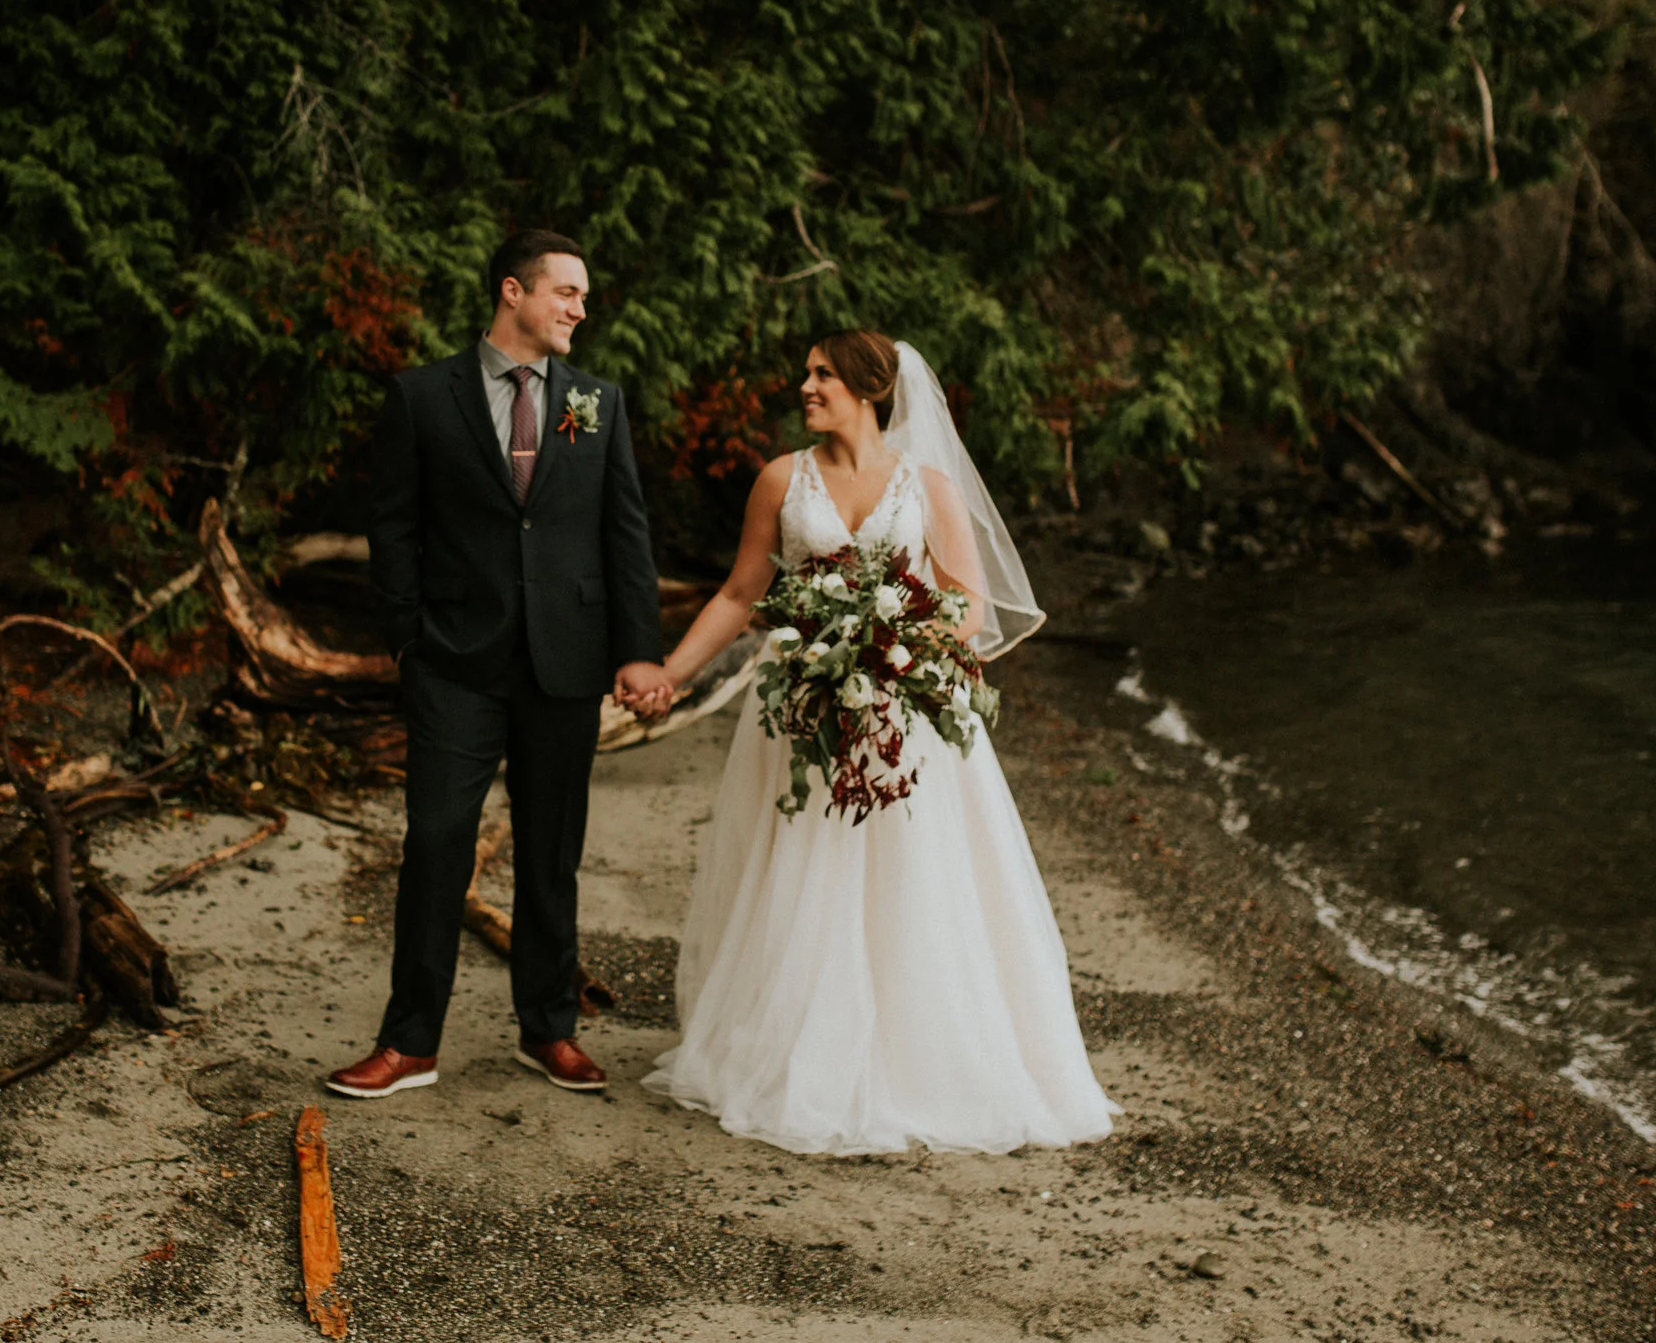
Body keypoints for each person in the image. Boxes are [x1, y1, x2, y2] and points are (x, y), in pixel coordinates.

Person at [634, 329, 1115, 1154]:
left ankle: (916, 1058)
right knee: (803, 871)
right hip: (804, 713)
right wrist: (669, 675)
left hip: (907, 718)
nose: (806, 385)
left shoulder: (927, 487)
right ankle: (796, 1051)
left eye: (823, 374)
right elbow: (743, 592)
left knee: (913, 882)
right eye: (808, 373)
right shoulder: (782, 480)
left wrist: (901, 647)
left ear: (868, 388)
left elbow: (969, 604)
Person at [325, 229, 674, 1100]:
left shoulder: (598, 400)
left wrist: (637, 649)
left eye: (585, 296)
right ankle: (409, 1042)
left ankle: (548, 1030)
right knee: (437, 838)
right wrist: (408, 638)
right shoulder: (420, 396)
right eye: (566, 292)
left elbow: (624, 533)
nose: (580, 309)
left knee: (551, 850)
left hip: (566, 661)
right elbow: (394, 527)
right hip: (453, 660)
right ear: (513, 292)